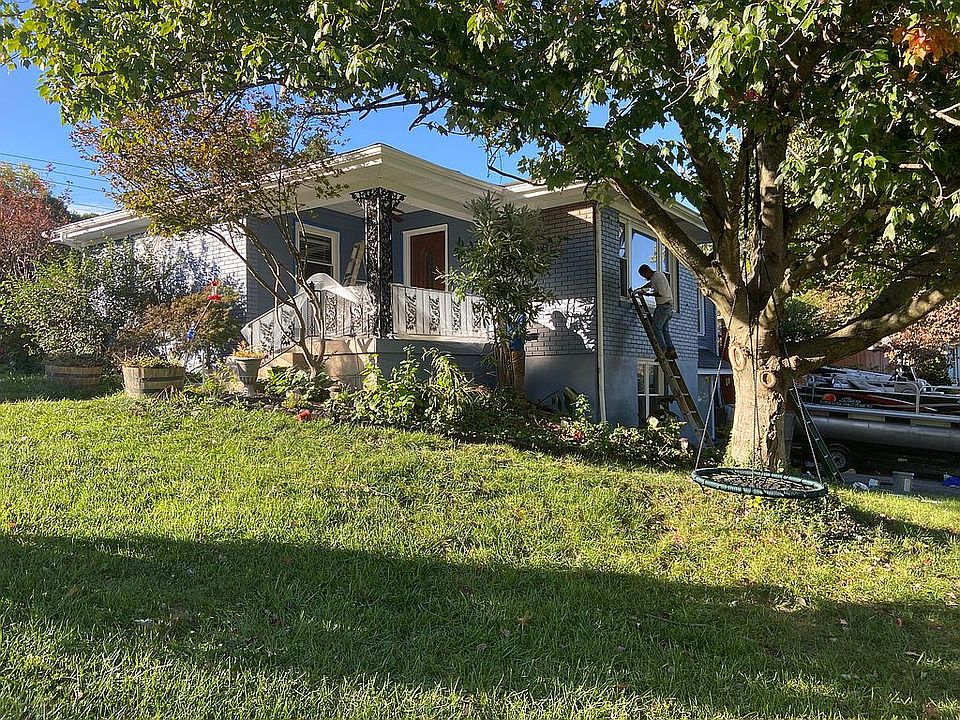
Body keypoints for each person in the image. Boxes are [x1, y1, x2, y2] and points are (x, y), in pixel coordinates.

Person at [638, 263, 677, 359]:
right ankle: (671, 350)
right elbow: (650, 284)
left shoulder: (658, 277)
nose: (645, 278)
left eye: (644, 276)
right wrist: (641, 289)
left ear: (646, 272)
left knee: (656, 328)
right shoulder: (656, 277)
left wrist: (648, 295)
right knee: (664, 330)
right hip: (667, 307)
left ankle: (663, 350)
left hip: (663, 307)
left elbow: (661, 293)